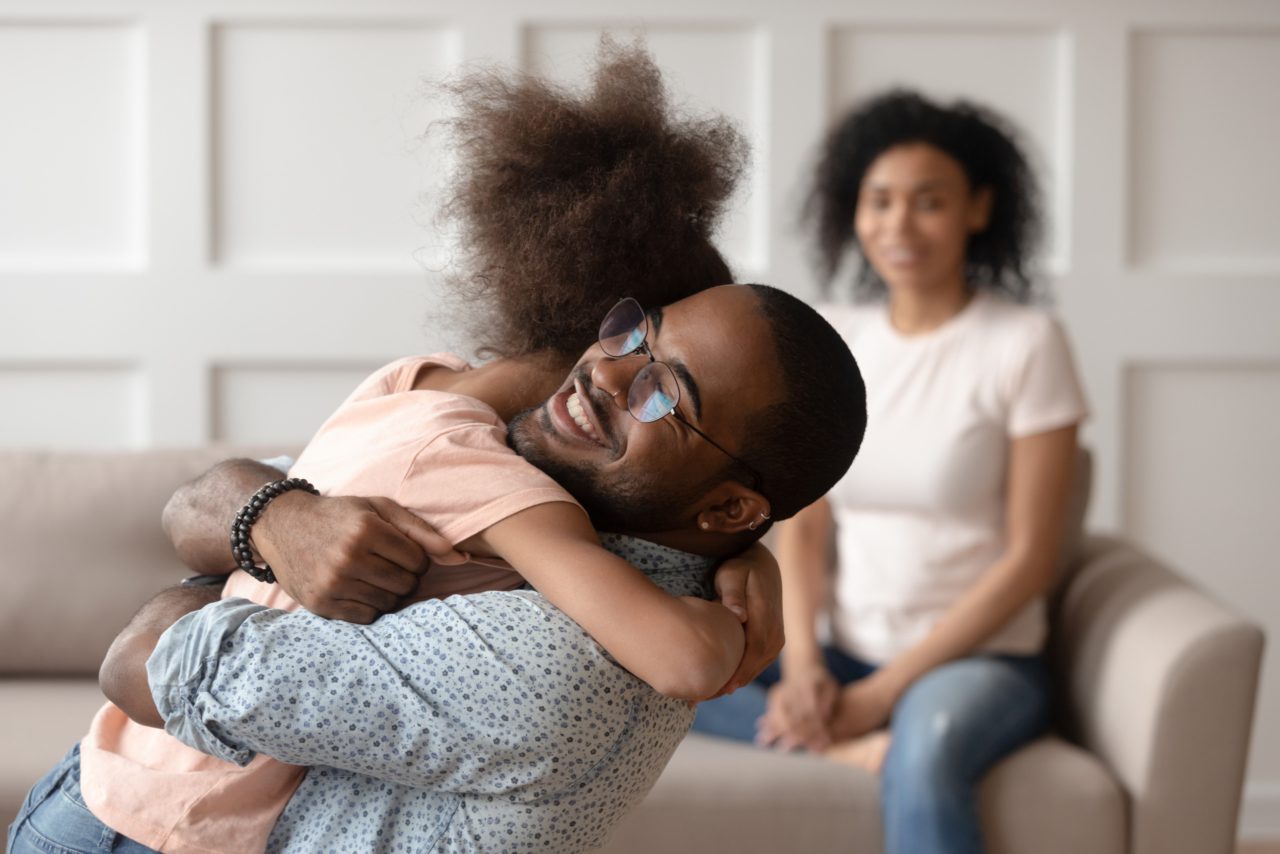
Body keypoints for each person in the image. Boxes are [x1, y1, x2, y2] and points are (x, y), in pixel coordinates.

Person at [9, 283, 868, 853]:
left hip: (125, 827)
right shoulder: (505, 455)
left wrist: (246, 546)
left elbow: (152, 662)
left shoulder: (559, 654)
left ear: (724, 509)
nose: (602, 371)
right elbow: (205, 502)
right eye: (633, 333)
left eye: (664, 394)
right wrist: (277, 515)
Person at [691, 90, 1088, 854]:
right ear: (854, 212)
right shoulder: (839, 338)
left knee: (929, 742)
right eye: (880, 201)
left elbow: (1032, 559)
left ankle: (873, 738)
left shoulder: (1028, 343)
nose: (900, 225)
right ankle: (839, 746)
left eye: (929, 202)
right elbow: (805, 527)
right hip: (841, 649)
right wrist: (802, 664)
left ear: (978, 209)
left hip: (977, 662)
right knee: (668, 666)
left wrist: (883, 693)